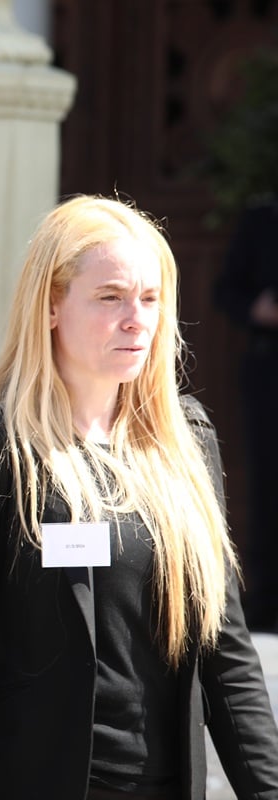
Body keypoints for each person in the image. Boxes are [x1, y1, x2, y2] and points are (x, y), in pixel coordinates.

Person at [0, 195, 278, 800]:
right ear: (51, 306)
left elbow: (227, 655)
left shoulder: (186, 441)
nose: (137, 319)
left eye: (151, 299)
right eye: (110, 297)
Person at [213, 198, 278, 632]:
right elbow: (226, 291)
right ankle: (266, 604)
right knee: (269, 486)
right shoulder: (262, 219)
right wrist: (259, 309)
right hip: (270, 369)